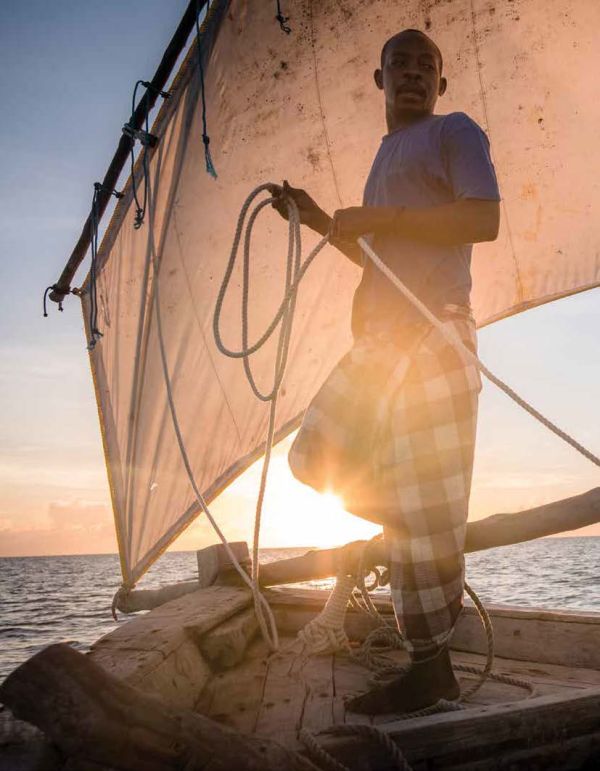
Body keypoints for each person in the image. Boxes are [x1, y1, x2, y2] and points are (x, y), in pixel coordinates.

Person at [271, 28, 500, 714]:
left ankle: (430, 668)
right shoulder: (384, 156)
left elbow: (483, 218)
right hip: (379, 345)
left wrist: (382, 215)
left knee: (421, 509)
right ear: (377, 78)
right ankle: (423, 525)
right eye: (398, 62)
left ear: (441, 83)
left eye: (426, 65)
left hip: (435, 333)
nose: (412, 72)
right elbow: (382, 261)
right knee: (312, 457)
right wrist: (317, 219)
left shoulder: (453, 131)